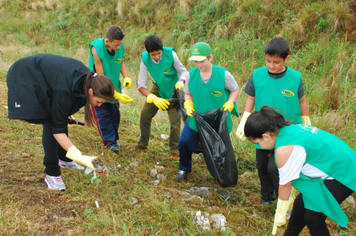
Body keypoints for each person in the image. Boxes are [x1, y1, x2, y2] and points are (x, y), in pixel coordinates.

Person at [7, 54, 116, 191]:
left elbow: (63, 114)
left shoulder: (89, 81)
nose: (99, 105)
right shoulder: (65, 90)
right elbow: (58, 130)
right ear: (90, 92)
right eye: (99, 102)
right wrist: (79, 156)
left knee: (59, 117)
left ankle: (64, 158)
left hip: (47, 77)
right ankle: (52, 172)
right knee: (50, 121)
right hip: (26, 74)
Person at [244, 105, 356, 235]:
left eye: (257, 143)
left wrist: (279, 214)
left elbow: (285, 185)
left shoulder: (284, 148)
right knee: (300, 205)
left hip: (344, 171)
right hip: (337, 163)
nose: (259, 146)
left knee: (313, 218)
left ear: (266, 136)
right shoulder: (287, 130)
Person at [235, 37, 311, 205]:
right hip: (262, 129)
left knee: (276, 168)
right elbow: (251, 98)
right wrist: (245, 118)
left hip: (286, 131)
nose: (271, 65)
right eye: (268, 61)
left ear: (286, 59)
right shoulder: (257, 74)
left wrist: (306, 122)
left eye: (276, 62)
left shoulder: (295, 78)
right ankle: (267, 196)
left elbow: (302, 102)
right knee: (262, 166)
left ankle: (284, 201)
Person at [176, 42, 239, 180]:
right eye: (196, 61)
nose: (199, 65)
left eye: (202, 61)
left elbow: (235, 90)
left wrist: (230, 102)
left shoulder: (223, 74)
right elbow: (188, 93)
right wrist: (188, 104)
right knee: (184, 142)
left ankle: (222, 173)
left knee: (220, 148)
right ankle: (184, 168)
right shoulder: (190, 75)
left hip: (218, 119)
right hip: (197, 118)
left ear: (210, 58)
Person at [129, 35, 189, 157]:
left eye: (159, 53)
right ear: (148, 53)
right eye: (153, 55)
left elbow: (183, 71)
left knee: (174, 121)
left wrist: (181, 82)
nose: (157, 57)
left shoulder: (171, 54)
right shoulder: (145, 58)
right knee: (145, 114)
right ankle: (142, 143)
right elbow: (141, 84)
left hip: (174, 88)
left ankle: (174, 150)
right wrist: (153, 98)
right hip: (158, 87)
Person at [89, 25, 133, 153]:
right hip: (99, 88)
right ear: (107, 41)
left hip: (114, 86)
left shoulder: (120, 46)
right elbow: (101, 77)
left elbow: (121, 61)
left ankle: (114, 141)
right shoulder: (96, 49)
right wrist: (111, 93)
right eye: (116, 45)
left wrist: (126, 77)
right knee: (103, 115)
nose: (119, 47)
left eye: (120, 44)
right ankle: (109, 143)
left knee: (115, 115)